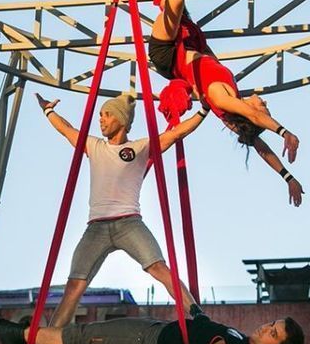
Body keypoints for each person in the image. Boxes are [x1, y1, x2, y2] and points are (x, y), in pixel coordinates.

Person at [36, 92, 207, 327]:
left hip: (129, 223)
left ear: (121, 119)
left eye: (106, 115)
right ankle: (49, 337)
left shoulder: (141, 147)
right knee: (74, 286)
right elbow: (66, 129)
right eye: (100, 115)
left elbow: (176, 133)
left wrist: (203, 110)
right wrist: (48, 110)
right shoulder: (94, 145)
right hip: (96, 227)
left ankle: (198, 315)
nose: (101, 120)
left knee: (159, 268)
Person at [145, 0, 304, 206]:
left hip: (168, 54)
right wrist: (288, 178)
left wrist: (285, 132)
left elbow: (253, 117)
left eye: (264, 109)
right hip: (192, 47)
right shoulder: (233, 103)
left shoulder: (223, 100)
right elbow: (259, 145)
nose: (264, 104)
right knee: (184, 14)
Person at [0, 308, 305, 344]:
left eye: (272, 333)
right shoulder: (239, 338)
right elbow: (203, 323)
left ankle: (19, 335)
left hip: (146, 342)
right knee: (88, 337)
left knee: (81, 338)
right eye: (271, 324)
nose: (265, 328)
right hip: (155, 330)